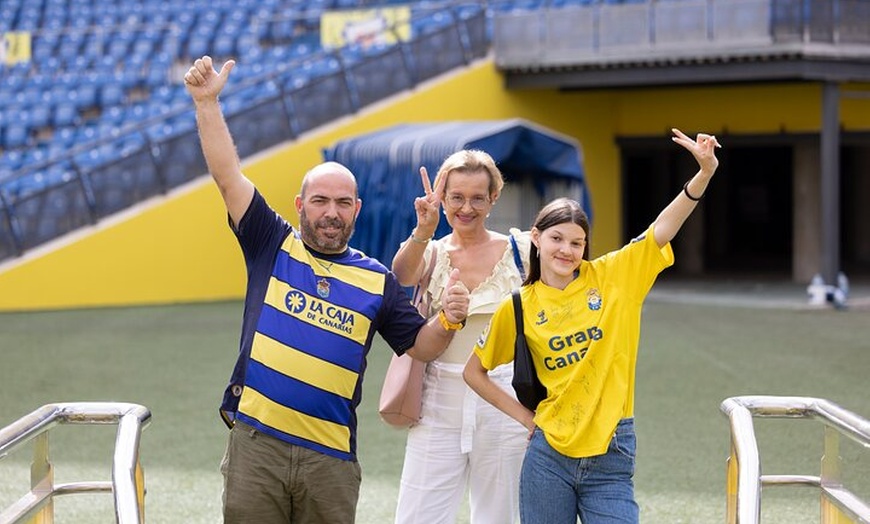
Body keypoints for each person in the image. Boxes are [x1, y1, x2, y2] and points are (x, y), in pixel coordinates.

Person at [184, 55, 470, 524]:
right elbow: (227, 176)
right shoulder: (270, 244)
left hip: (331, 458)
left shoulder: (377, 279)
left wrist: (451, 317)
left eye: (341, 203)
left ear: (356, 209)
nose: (330, 212)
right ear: (301, 205)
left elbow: (422, 346)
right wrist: (206, 102)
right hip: (258, 447)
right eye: (320, 201)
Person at [464, 128, 720, 524]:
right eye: (557, 239)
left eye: (577, 242)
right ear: (536, 238)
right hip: (548, 456)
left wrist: (702, 175)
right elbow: (474, 372)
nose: (566, 250)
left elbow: (662, 229)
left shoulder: (614, 278)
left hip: (611, 452)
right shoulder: (517, 306)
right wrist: (525, 419)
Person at [391, 150, 530, 524]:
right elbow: (401, 275)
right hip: (438, 397)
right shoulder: (432, 252)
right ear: (442, 196)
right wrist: (423, 228)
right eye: (456, 197)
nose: (466, 208)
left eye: (477, 198)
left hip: (504, 396)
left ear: (493, 198)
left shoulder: (521, 251)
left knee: (503, 516)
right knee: (417, 515)